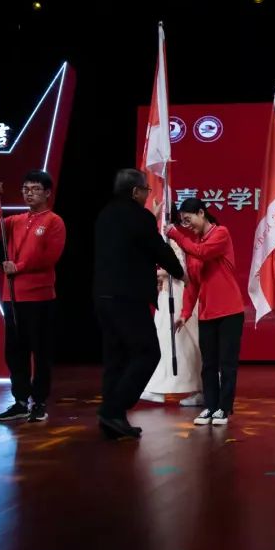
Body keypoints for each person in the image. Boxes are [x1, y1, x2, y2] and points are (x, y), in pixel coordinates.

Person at [93, 168, 184, 439]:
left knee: (116, 358)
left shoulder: (105, 214)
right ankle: (112, 409)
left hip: (103, 296)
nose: (147, 194)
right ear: (135, 191)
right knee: (148, 353)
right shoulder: (140, 217)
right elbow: (159, 249)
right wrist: (179, 271)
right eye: (146, 189)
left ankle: (113, 419)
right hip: (128, 298)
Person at [0, 171, 66, 424]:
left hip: (39, 297)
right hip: (12, 297)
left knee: (41, 352)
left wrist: (19, 266)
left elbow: (50, 256)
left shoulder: (54, 221)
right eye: (25, 189)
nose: (29, 193)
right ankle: (20, 402)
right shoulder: (15, 220)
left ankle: (40, 402)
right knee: (15, 352)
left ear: (47, 193)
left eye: (35, 189)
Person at [169, 198, 246, 426]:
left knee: (227, 364)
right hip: (206, 313)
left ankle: (224, 407)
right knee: (208, 364)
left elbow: (202, 252)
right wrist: (185, 313)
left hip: (230, 311)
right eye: (183, 222)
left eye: (188, 219)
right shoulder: (193, 244)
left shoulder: (221, 233)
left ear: (201, 213)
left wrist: (176, 235)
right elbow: (192, 283)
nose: (187, 225)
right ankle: (210, 406)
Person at [139, 205, 202, 405]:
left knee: (179, 341)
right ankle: (159, 387)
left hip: (177, 293)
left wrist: (154, 274)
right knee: (166, 340)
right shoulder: (164, 237)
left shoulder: (171, 238)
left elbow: (180, 268)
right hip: (167, 293)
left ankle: (196, 388)